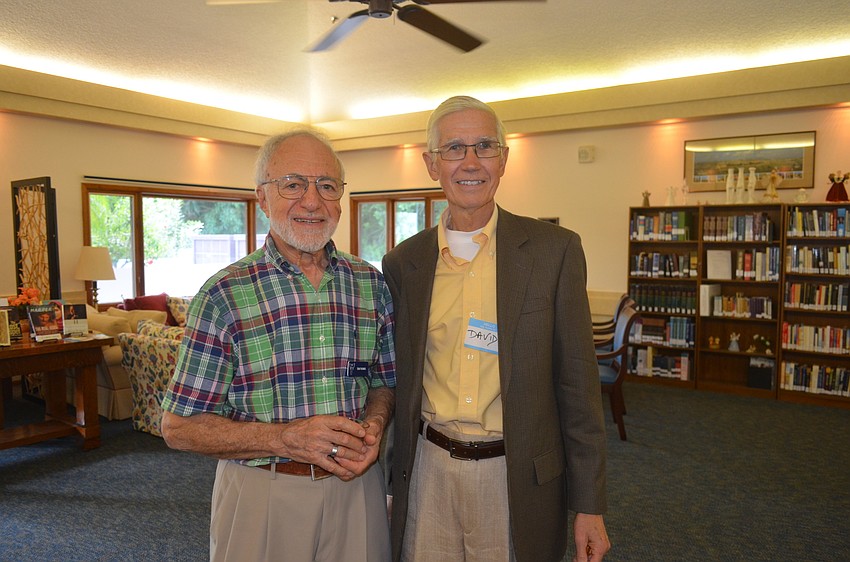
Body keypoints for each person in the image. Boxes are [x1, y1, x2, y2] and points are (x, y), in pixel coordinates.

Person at [382, 96, 610, 562]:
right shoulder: (403, 263)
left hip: (516, 477)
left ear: (503, 160)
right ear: (432, 164)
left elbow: (578, 387)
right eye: (454, 148)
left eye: (485, 146)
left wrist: (589, 505)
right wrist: (389, 485)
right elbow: (398, 382)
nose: (470, 162)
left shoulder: (554, 252)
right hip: (427, 472)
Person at [160, 129, 396, 562]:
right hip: (263, 492)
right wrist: (285, 439)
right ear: (262, 198)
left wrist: (376, 423)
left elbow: (384, 382)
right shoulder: (223, 295)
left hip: (358, 489)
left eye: (327, 186)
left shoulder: (370, 284)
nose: (312, 201)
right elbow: (178, 428)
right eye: (293, 184)